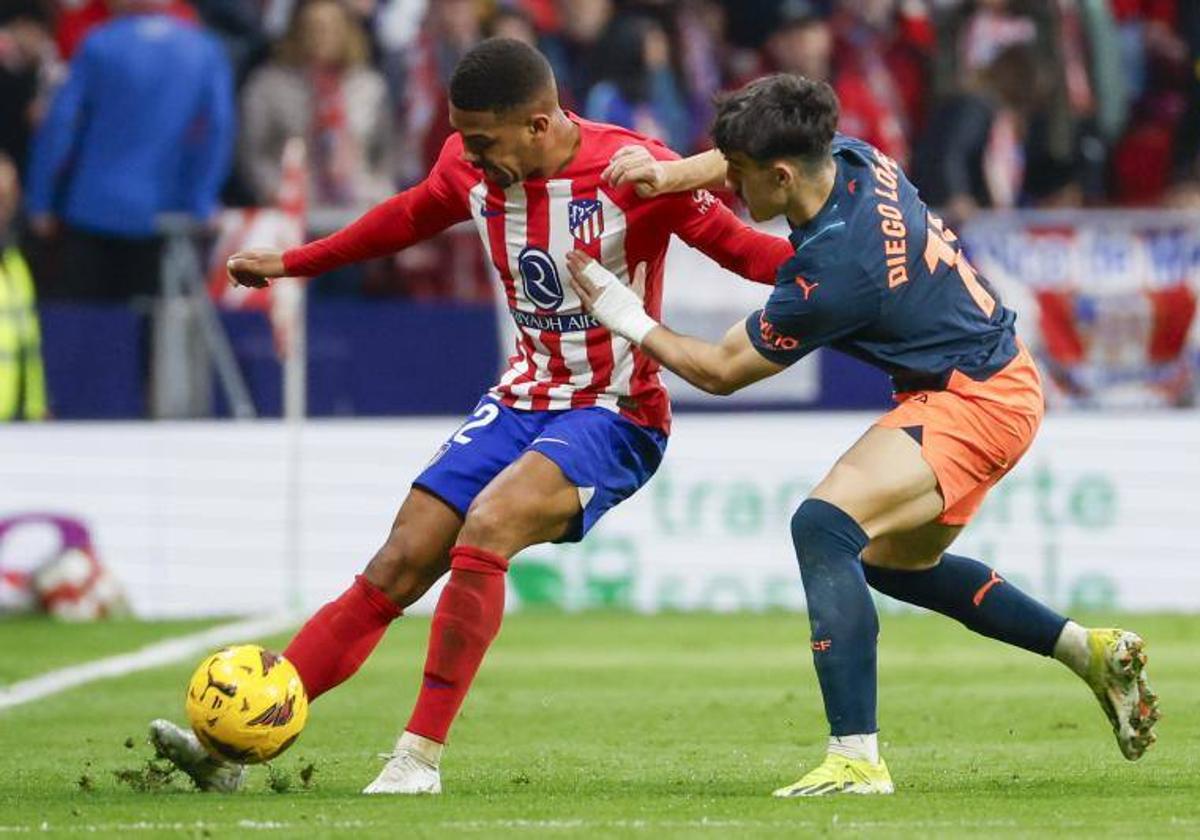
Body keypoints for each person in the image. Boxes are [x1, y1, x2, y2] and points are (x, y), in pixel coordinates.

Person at [149, 37, 794, 794]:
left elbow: (752, 255)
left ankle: (417, 759)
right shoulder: (467, 163)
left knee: (488, 527)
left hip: (617, 413)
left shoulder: (638, 172)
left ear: (541, 124)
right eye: (463, 135)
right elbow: (404, 217)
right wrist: (293, 261)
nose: (469, 154)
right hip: (519, 399)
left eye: (484, 140)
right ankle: (229, 753)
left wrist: (857, 269)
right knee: (397, 562)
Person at [566, 73, 1160, 797]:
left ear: (780, 177)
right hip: (992, 377)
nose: (732, 190)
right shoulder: (854, 156)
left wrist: (627, 314)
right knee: (886, 561)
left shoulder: (836, 272)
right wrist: (669, 174)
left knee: (823, 527)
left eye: (743, 177)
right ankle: (1088, 651)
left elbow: (721, 371)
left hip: (974, 398)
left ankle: (856, 758)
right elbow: (744, 154)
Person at [24, 0, 234, 301]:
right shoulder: (203, 49)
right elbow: (219, 128)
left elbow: (61, 124)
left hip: (92, 208)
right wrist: (201, 197)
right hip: (166, 214)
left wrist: (41, 200)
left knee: (84, 331)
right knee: (156, 334)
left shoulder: (99, 44)